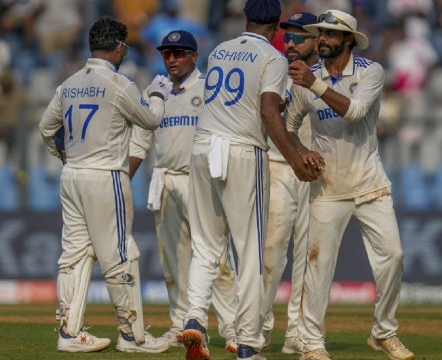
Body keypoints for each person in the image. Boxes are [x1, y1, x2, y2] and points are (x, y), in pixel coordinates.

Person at [179, 0, 324, 359]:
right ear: (277, 27)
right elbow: (268, 112)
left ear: (244, 19)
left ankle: (195, 319)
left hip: (201, 147)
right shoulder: (273, 58)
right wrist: (294, 160)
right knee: (250, 254)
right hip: (242, 150)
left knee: (206, 246)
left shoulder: (219, 50)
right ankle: (247, 344)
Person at [285, 9, 415, 360]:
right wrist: (300, 154)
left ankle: (384, 332)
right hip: (327, 184)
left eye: (329, 34)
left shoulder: (370, 71)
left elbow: (355, 111)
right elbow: (289, 126)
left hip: (369, 181)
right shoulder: (305, 79)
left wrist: (314, 85)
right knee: (319, 265)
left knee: (393, 257)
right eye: (320, 33)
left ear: (347, 40)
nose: (322, 39)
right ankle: (312, 343)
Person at [38, 16, 172, 353]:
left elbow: (45, 127)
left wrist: (63, 154)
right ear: (119, 47)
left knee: (74, 256)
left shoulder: (68, 84)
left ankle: (69, 333)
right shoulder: (119, 84)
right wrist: (156, 94)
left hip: (72, 176)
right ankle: (132, 336)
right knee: (120, 254)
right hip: (105, 176)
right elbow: (151, 119)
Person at [128, 29, 239, 353]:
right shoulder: (155, 90)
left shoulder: (208, 88)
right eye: (167, 53)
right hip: (165, 180)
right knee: (173, 261)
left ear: (194, 55)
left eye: (179, 53)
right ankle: (181, 327)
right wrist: (124, 180)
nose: (172, 59)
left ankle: (232, 329)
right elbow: (141, 139)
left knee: (215, 258)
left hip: (201, 181)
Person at [260, 10, 318, 355]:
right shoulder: (274, 68)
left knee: (311, 259)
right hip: (278, 167)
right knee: (271, 254)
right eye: (288, 37)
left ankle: (297, 332)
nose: (291, 43)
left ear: (316, 40)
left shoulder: (325, 77)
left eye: (299, 37)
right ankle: (258, 328)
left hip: (316, 175)